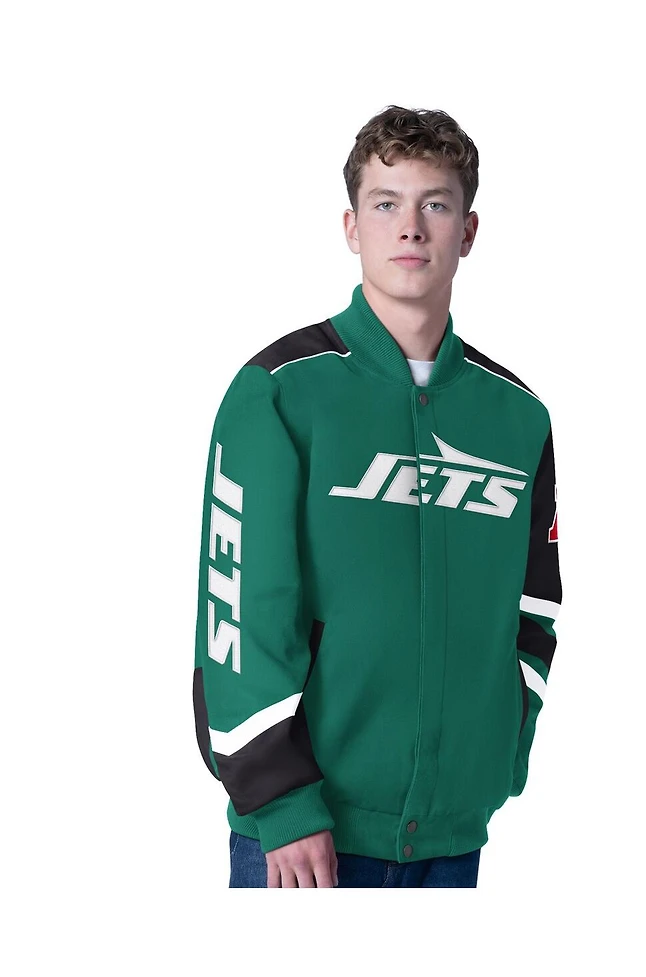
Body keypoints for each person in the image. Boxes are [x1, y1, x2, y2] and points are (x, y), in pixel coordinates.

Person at [192, 104, 562, 888]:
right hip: (304, 837)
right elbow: (235, 614)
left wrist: (503, 747)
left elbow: (537, 607)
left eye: (436, 204)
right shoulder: (280, 392)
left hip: (453, 833)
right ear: (351, 227)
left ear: (468, 231)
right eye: (386, 203)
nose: (411, 228)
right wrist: (280, 800)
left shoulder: (518, 417)